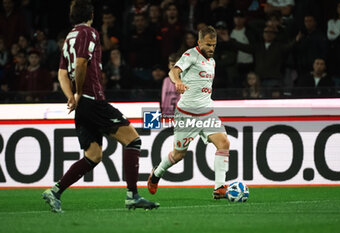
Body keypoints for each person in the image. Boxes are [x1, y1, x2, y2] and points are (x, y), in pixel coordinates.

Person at [42, 0, 159, 213]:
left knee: (93, 156)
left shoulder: (69, 37)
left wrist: (71, 96)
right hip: (92, 99)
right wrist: (78, 92)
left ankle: (55, 191)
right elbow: (80, 63)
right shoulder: (90, 32)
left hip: (82, 105)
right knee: (133, 140)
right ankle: (132, 195)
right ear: (91, 14)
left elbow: (61, 73)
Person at [147, 26, 231, 199]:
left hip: (207, 112)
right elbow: (173, 71)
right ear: (199, 42)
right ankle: (156, 173)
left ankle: (219, 188)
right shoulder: (190, 55)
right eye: (208, 44)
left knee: (223, 143)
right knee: (179, 154)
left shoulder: (212, 61)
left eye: (214, 45)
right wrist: (177, 81)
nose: (211, 48)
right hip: (187, 114)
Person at [161, 53, 180, 117]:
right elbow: (162, 99)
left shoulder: (186, 80)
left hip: (181, 115)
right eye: (172, 65)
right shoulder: (165, 80)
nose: (174, 68)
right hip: (167, 114)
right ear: (169, 66)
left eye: (177, 65)